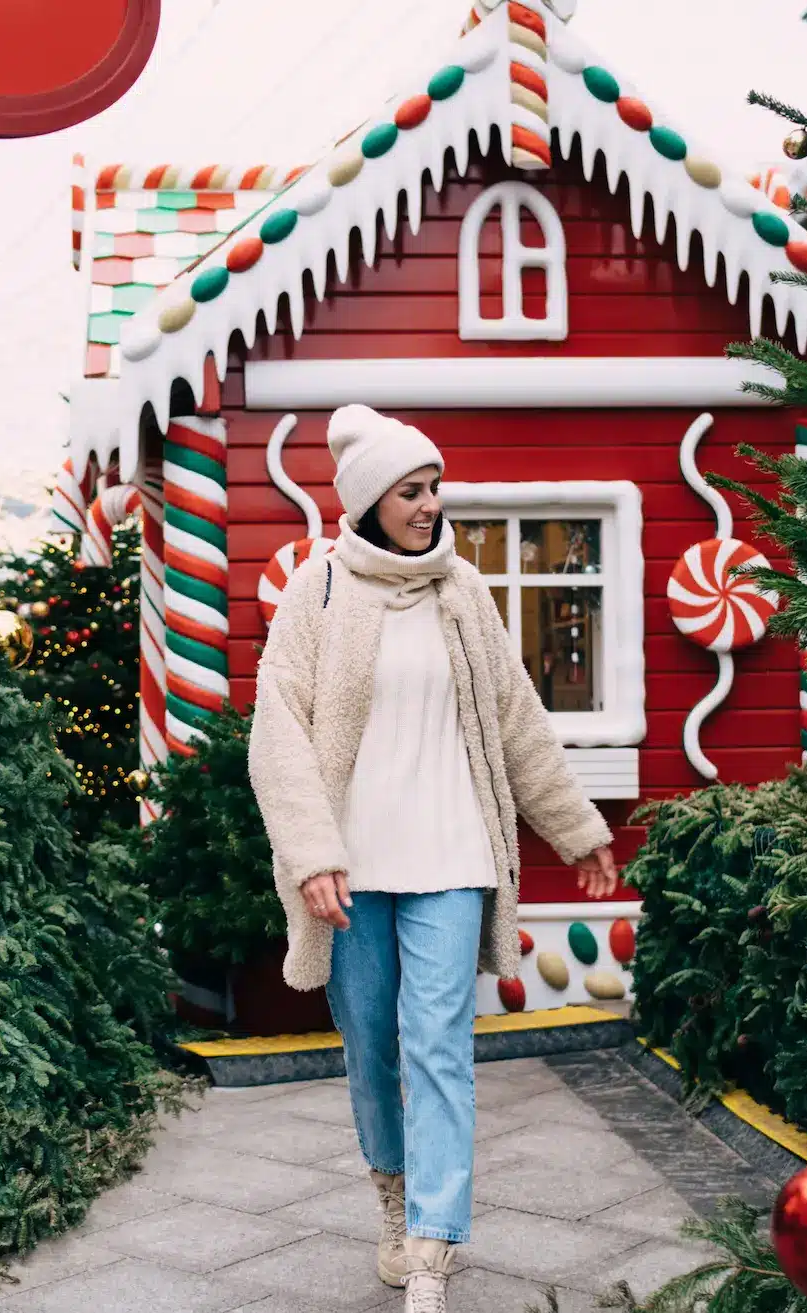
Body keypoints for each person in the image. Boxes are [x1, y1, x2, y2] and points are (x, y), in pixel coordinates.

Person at [249, 405, 619, 1312]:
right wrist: (311, 851)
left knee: (441, 1045)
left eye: (432, 487)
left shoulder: (463, 592)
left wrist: (579, 827)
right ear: (371, 500)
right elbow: (278, 734)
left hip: (453, 854)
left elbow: (516, 719)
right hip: (352, 867)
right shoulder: (319, 593)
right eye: (411, 491)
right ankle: (393, 1196)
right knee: (372, 1042)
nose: (429, 504)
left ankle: (433, 1243)